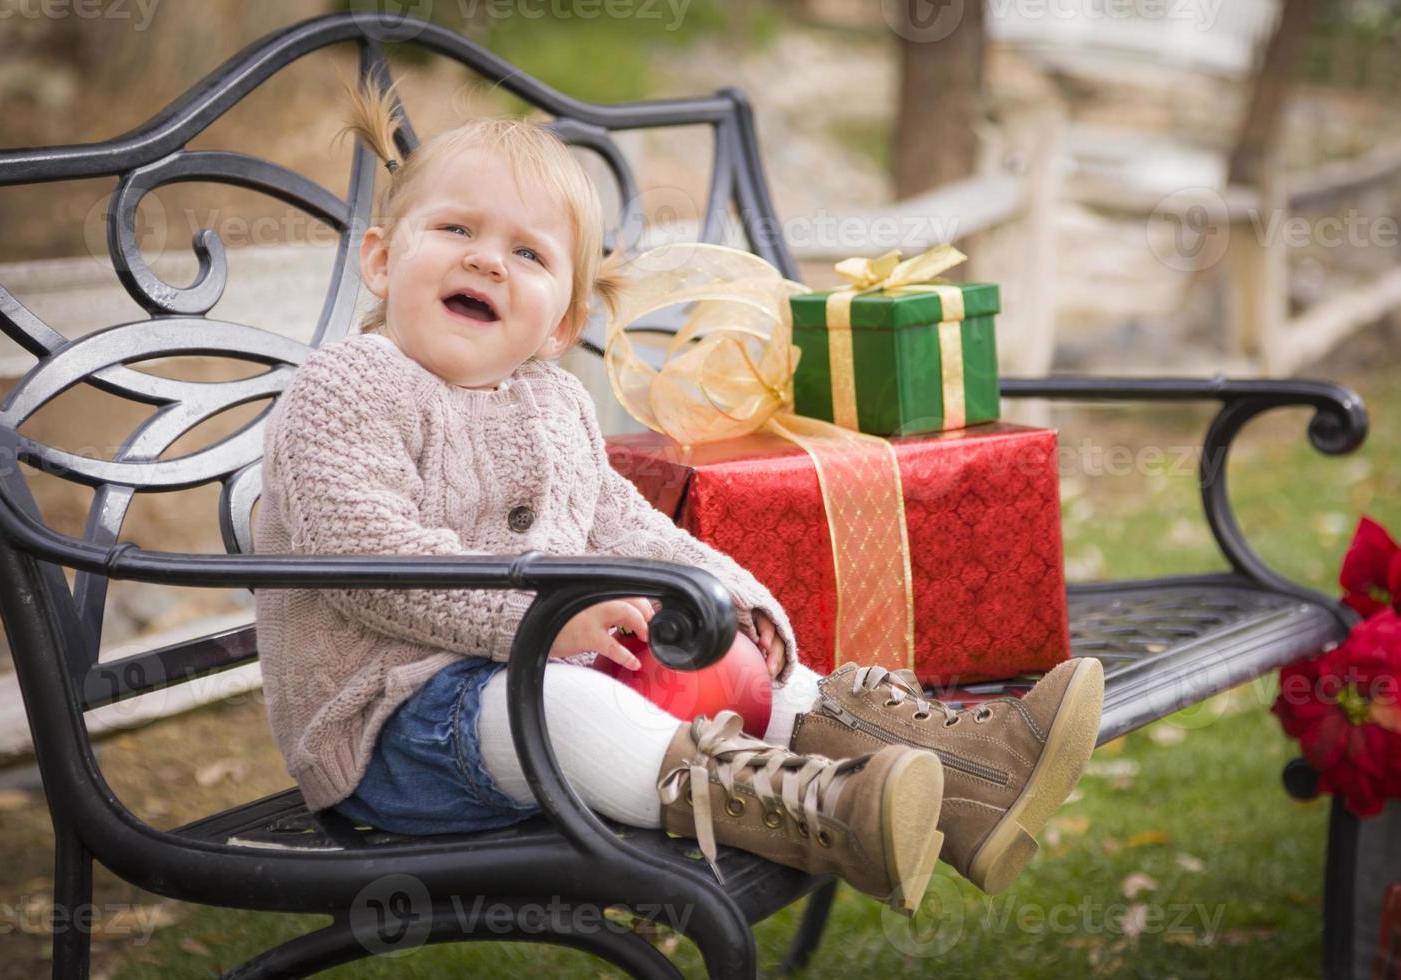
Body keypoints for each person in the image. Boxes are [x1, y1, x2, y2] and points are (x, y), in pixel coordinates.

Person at [253, 77, 1104, 916]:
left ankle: (966, 785)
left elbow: (627, 523)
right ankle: (823, 812)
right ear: (381, 257)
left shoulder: (553, 401)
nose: (485, 258)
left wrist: (735, 603)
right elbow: (370, 559)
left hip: (528, 672)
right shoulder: (349, 384)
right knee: (565, 707)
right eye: (455, 229)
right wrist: (543, 613)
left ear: (559, 322)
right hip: (392, 731)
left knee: (765, 679)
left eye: (527, 253)